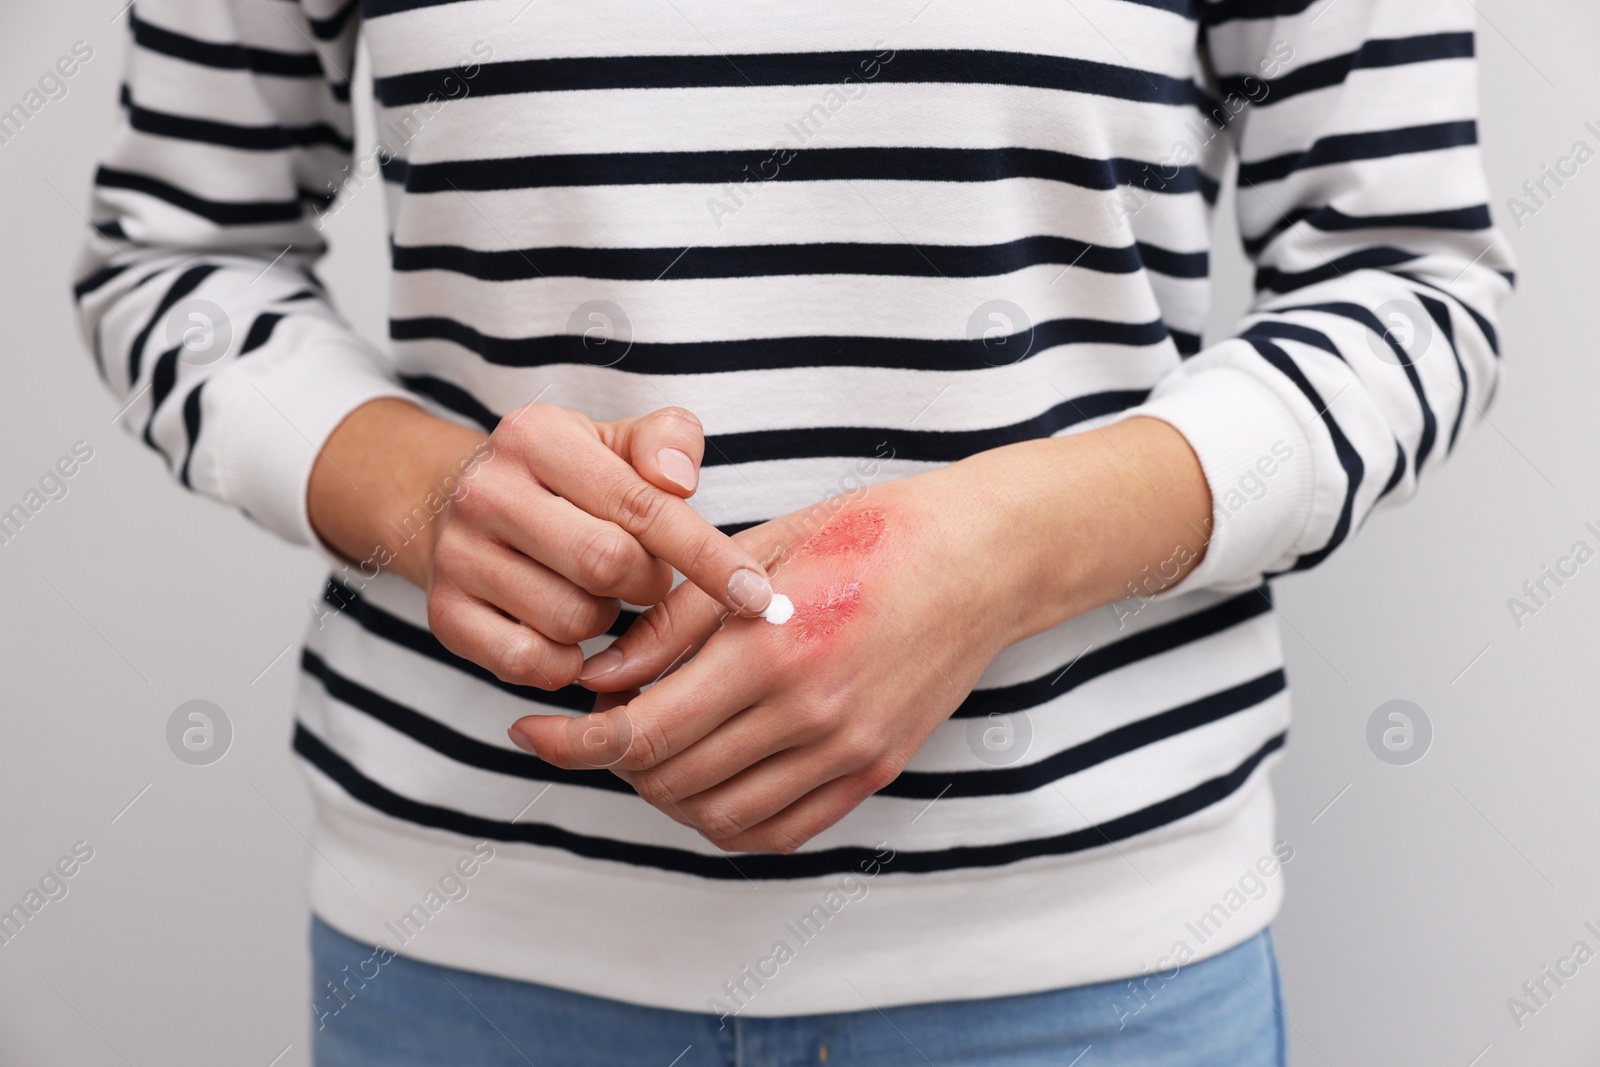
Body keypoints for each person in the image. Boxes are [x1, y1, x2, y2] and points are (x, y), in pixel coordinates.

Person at [75, 0, 1512, 1063]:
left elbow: (1408, 283)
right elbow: (180, 254)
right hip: (471, 967)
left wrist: (1003, 552)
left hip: (1087, 979)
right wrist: (424, 495)